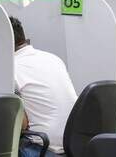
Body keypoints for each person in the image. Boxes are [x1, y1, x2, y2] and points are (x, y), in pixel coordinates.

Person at [9, 17, 77, 157]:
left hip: (43, 148)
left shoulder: (11, 68)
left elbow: (20, 124)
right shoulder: (53, 59)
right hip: (74, 145)